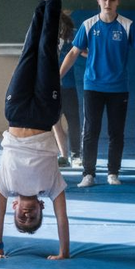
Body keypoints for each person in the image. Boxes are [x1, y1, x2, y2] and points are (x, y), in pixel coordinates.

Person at [0, 0, 71, 261]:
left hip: (17, 112)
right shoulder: (51, 186)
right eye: (32, 218)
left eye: (21, 219)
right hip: (46, 113)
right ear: (40, 209)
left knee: (29, 48)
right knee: (47, 48)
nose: (26, 214)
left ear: (14, 210)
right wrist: (63, 253)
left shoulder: (5, 187)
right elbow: (63, 220)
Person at [59, 0, 135, 187]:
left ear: (118, 2)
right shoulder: (88, 25)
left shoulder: (127, 25)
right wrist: (58, 76)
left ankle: (113, 172)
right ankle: (88, 174)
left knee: (116, 132)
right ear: (98, 1)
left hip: (118, 88)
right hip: (93, 87)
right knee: (90, 131)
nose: (108, 3)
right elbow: (73, 53)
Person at [53, 11, 82, 168]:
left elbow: (83, 51)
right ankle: (63, 155)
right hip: (52, 87)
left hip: (69, 86)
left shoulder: (74, 35)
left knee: (73, 120)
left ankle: (76, 154)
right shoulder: (47, 36)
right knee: (55, 121)